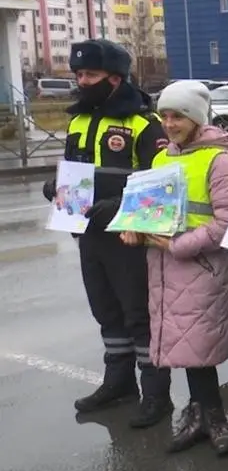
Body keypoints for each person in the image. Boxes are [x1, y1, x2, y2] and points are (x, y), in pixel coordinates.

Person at [42, 39, 171, 428]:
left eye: (91, 75)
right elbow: (77, 171)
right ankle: (119, 383)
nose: (82, 81)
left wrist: (121, 208)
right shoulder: (78, 119)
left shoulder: (144, 123)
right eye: (79, 74)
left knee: (139, 315)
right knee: (106, 311)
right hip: (89, 234)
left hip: (129, 236)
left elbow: (163, 185)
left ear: (115, 79)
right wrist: (57, 188)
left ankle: (156, 394)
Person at [119, 80, 228, 457]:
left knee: (198, 345)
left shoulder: (219, 159)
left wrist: (178, 246)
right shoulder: (161, 158)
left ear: (196, 117)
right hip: (164, 268)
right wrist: (134, 228)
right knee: (185, 347)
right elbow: (147, 211)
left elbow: (227, 221)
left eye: (178, 116)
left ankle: (214, 418)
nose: (169, 123)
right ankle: (200, 415)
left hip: (199, 266)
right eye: (165, 115)